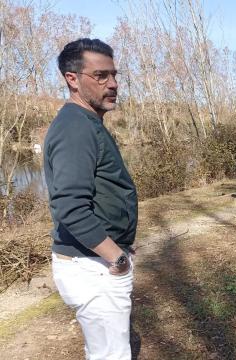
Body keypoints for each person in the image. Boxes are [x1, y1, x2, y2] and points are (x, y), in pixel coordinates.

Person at [44, 38, 137, 359]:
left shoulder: (86, 122)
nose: (112, 84)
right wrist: (117, 257)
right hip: (92, 266)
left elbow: (99, 193)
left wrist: (122, 241)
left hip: (95, 261)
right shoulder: (75, 128)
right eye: (100, 76)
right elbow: (70, 207)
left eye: (114, 75)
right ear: (72, 79)